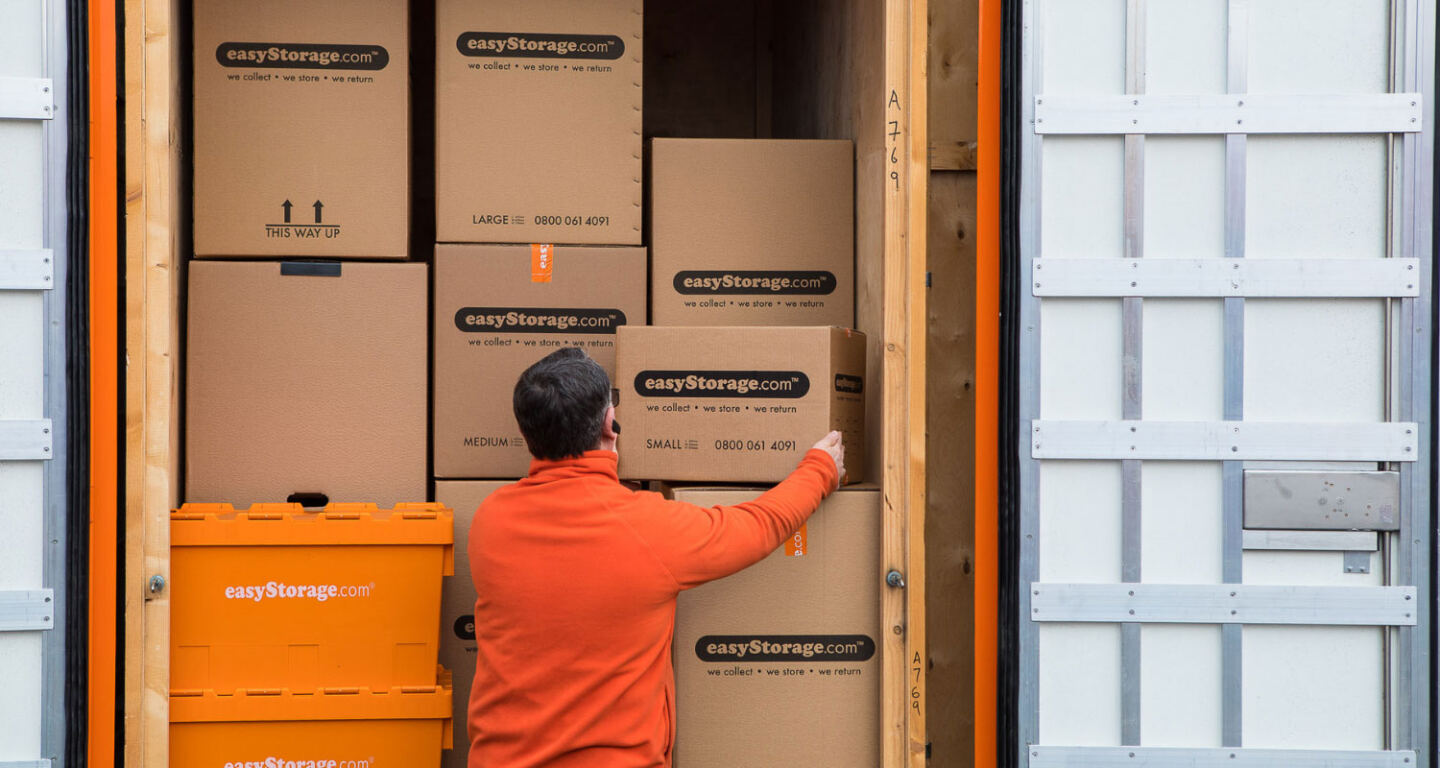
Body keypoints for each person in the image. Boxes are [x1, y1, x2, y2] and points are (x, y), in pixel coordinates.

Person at [467, 347, 845, 768]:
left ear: (527, 434)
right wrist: (821, 468)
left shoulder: (490, 522)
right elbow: (760, 526)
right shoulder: (648, 528)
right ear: (611, 425)